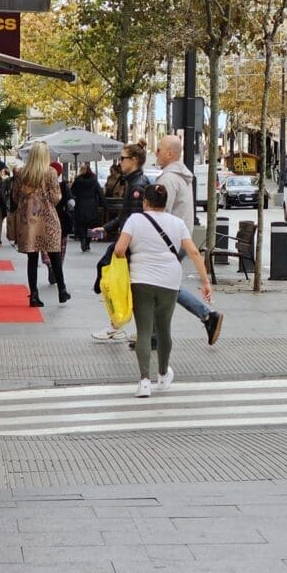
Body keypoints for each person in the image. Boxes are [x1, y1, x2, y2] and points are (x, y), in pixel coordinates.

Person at [113, 182, 212, 397]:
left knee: (145, 331)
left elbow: (119, 249)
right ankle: (163, 375)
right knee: (164, 328)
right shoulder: (177, 223)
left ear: (145, 202)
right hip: (170, 281)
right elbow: (193, 252)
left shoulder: (135, 220)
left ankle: (144, 382)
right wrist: (205, 282)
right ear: (165, 203)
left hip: (141, 280)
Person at [154, 134, 224, 346]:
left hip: (169, 242)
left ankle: (206, 315)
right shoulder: (181, 177)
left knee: (162, 286)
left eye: (158, 149)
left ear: (169, 153)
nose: (155, 153)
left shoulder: (167, 179)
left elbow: (160, 213)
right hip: (179, 239)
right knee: (163, 286)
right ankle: (155, 335)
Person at [90, 143, 151, 341]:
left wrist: (121, 245)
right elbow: (128, 216)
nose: (120, 162)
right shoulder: (134, 183)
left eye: (123, 158)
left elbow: (133, 220)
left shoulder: (137, 186)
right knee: (125, 286)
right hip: (131, 244)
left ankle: (119, 325)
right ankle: (122, 325)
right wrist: (107, 228)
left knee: (118, 285)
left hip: (130, 246)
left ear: (134, 161)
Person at [12, 142, 69, 307]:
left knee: (32, 259)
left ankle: (34, 295)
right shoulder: (50, 172)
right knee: (54, 256)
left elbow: (15, 196)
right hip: (48, 219)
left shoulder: (22, 173)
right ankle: (62, 290)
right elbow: (57, 197)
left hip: (28, 222)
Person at [44, 161, 73, 285]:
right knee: (60, 246)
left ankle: (50, 265)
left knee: (46, 245)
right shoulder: (63, 185)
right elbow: (70, 201)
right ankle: (57, 266)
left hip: (45, 219)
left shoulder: (43, 185)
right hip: (61, 218)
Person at [70, 163, 102, 252]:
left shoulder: (78, 180)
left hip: (80, 204)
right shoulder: (94, 180)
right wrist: (104, 205)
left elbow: (72, 192)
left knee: (81, 224)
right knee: (90, 224)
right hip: (91, 205)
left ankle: (83, 239)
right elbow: (99, 192)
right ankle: (87, 242)